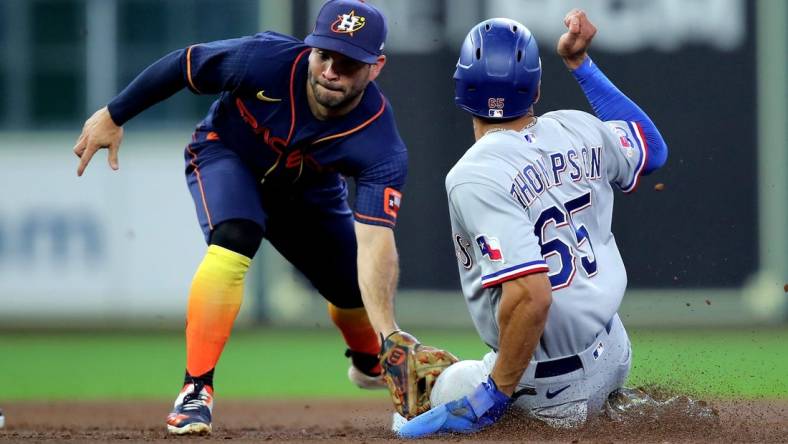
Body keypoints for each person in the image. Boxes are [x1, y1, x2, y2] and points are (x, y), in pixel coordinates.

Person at [73, 0, 434, 436]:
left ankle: (368, 361)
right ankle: (195, 390)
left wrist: (388, 333)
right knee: (236, 235)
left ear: (376, 67)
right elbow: (185, 65)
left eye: (349, 63)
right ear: (310, 48)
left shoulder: (379, 142)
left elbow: (375, 244)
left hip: (308, 192)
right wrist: (113, 115)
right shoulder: (263, 60)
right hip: (226, 155)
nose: (330, 71)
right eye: (324, 55)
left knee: (349, 286)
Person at [397, 10, 668, 438]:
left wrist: (494, 395)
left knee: (431, 402)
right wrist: (581, 63)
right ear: (537, 87)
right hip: (614, 349)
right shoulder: (578, 128)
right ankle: (615, 406)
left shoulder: (472, 174)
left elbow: (531, 296)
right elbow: (651, 149)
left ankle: (554, 415)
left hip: (548, 388)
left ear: (461, 89)